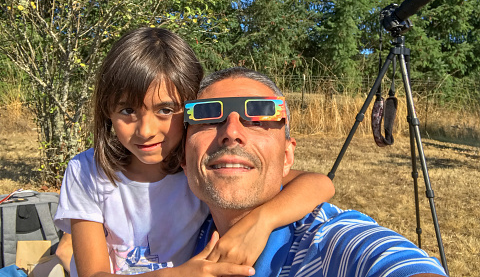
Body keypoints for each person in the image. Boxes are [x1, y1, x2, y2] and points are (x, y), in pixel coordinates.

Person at [54, 28, 335, 277]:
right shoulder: (86, 170)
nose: (146, 130)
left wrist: (262, 221)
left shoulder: (200, 167)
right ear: (107, 111)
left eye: (165, 110)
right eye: (127, 110)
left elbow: (318, 184)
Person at [182, 66, 448, 277]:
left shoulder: (323, 243)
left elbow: (385, 259)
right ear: (181, 157)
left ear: (287, 157)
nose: (231, 133)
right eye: (208, 117)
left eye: (255, 120)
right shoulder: (181, 223)